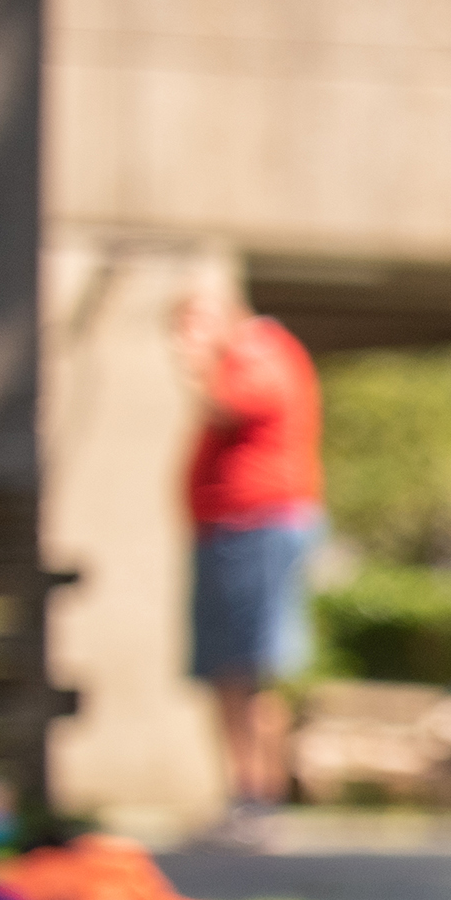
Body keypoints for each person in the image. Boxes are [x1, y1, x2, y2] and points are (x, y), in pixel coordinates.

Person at [177, 283, 325, 825]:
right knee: (228, 671)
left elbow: (225, 406)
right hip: (227, 531)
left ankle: (260, 797)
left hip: (256, 529)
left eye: (193, 321)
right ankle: (244, 793)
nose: (183, 335)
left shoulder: (259, 353)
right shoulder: (242, 357)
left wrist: (196, 361)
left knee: (252, 666)